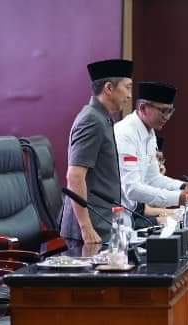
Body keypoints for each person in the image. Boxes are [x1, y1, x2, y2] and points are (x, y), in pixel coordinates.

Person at [60, 59, 133, 245]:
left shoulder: (103, 118)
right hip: (90, 232)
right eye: (127, 87)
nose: (130, 95)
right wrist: (86, 228)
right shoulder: (92, 120)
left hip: (103, 224)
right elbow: (75, 176)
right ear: (109, 88)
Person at [114, 81, 188, 228]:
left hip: (128, 217)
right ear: (143, 108)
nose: (167, 117)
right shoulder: (125, 133)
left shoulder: (150, 133)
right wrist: (179, 198)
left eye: (170, 111)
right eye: (163, 111)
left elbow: (152, 178)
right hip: (112, 218)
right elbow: (131, 188)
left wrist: (182, 186)